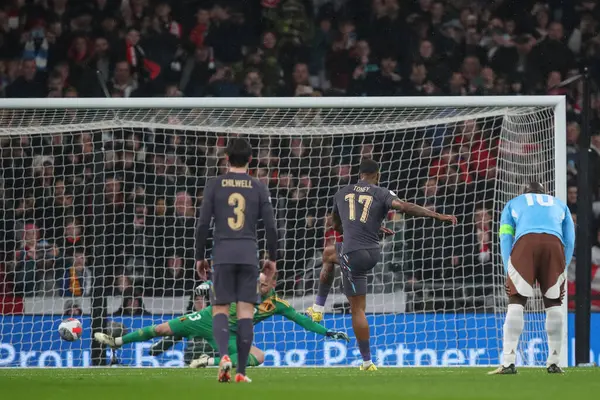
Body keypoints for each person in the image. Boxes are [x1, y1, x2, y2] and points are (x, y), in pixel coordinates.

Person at [323, 159, 456, 371]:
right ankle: (365, 360)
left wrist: (357, 229)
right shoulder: (381, 192)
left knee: (333, 262)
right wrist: (437, 215)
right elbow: (404, 207)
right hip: (373, 253)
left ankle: (320, 310)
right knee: (357, 301)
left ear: (360, 174)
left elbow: (336, 226)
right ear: (377, 174)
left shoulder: (342, 192)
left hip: (353, 253)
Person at [194, 138, 278, 383]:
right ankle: (241, 372)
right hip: (248, 254)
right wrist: (272, 258)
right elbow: (271, 227)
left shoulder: (214, 184)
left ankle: (223, 357)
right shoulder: (258, 186)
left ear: (226, 158)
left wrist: (200, 256)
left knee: (220, 308)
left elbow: (202, 226)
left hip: (222, 254)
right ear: (251, 160)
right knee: (245, 313)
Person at [144, 273, 349, 368]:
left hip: (231, 336)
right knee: (187, 327)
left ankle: (207, 361)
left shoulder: (277, 304)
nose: (260, 285)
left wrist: (327, 332)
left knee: (258, 357)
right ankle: (156, 346)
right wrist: (206, 283)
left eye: (264, 283)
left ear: (273, 284)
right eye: (259, 281)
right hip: (212, 322)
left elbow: (303, 321)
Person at [489, 182, 575, 375]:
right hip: (555, 245)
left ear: (524, 193)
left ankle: (509, 361)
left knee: (516, 302)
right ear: (545, 193)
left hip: (524, 243)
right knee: (553, 303)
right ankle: (554, 361)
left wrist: (507, 267)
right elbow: (570, 238)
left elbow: (505, 237)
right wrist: (564, 264)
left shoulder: (513, 203)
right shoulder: (560, 204)